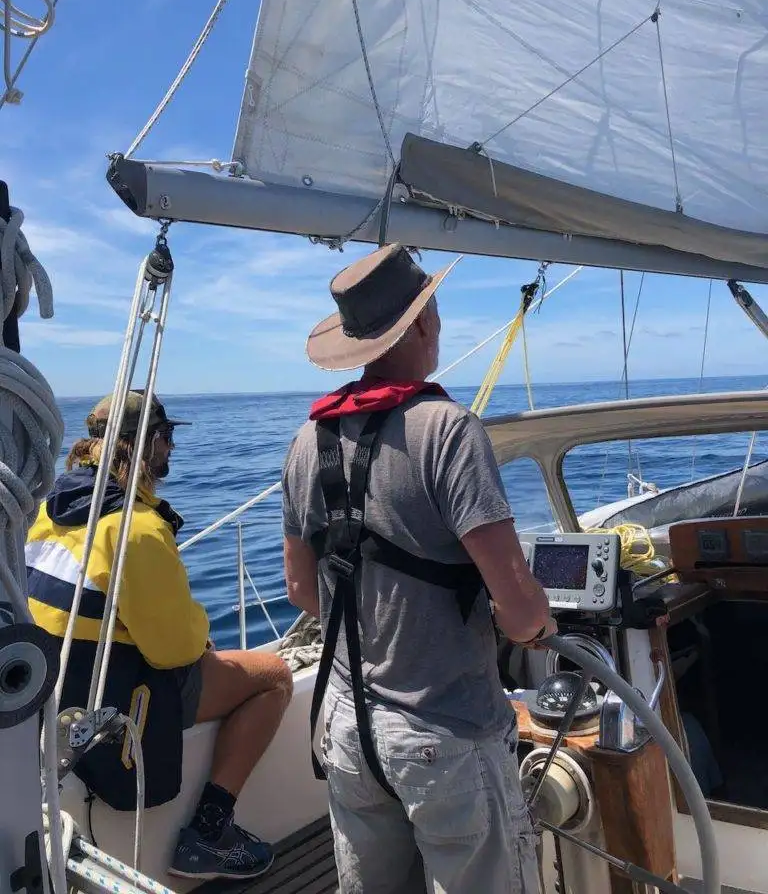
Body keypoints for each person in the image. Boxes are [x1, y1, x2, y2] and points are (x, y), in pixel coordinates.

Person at [281, 243, 557, 893]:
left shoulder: (305, 441)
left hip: (348, 734)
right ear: (425, 321)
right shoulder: (449, 431)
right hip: (445, 738)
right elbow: (519, 615)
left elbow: (302, 589)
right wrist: (537, 624)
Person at [26, 390, 293, 882]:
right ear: (146, 443)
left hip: (56, 692)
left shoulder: (47, 511)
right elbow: (175, 651)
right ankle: (209, 833)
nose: (171, 448)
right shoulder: (137, 528)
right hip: (118, 697)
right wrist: (199, 633)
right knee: (274, 676)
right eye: (167, 437)